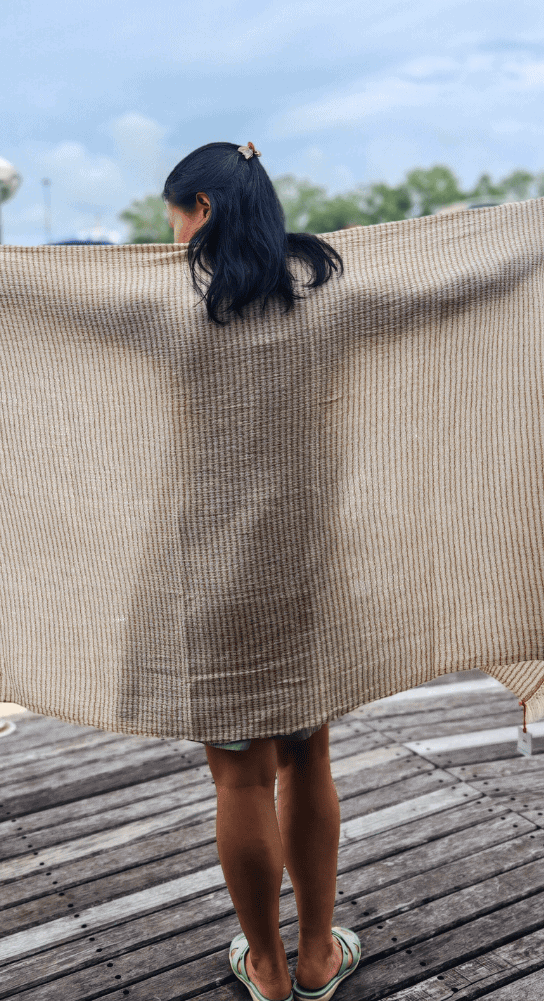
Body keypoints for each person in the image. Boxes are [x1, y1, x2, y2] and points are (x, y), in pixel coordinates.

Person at [163, 141, 362, 1001]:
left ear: (201, 208)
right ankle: (319, 955)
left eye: (172, 214)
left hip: (213, 570)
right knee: (310, 754)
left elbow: (43, 314)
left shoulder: (167, 303)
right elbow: (443, 294)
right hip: (307, 565)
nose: (166, 233)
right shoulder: (326, 292)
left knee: (240, 772)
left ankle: (270, 970)